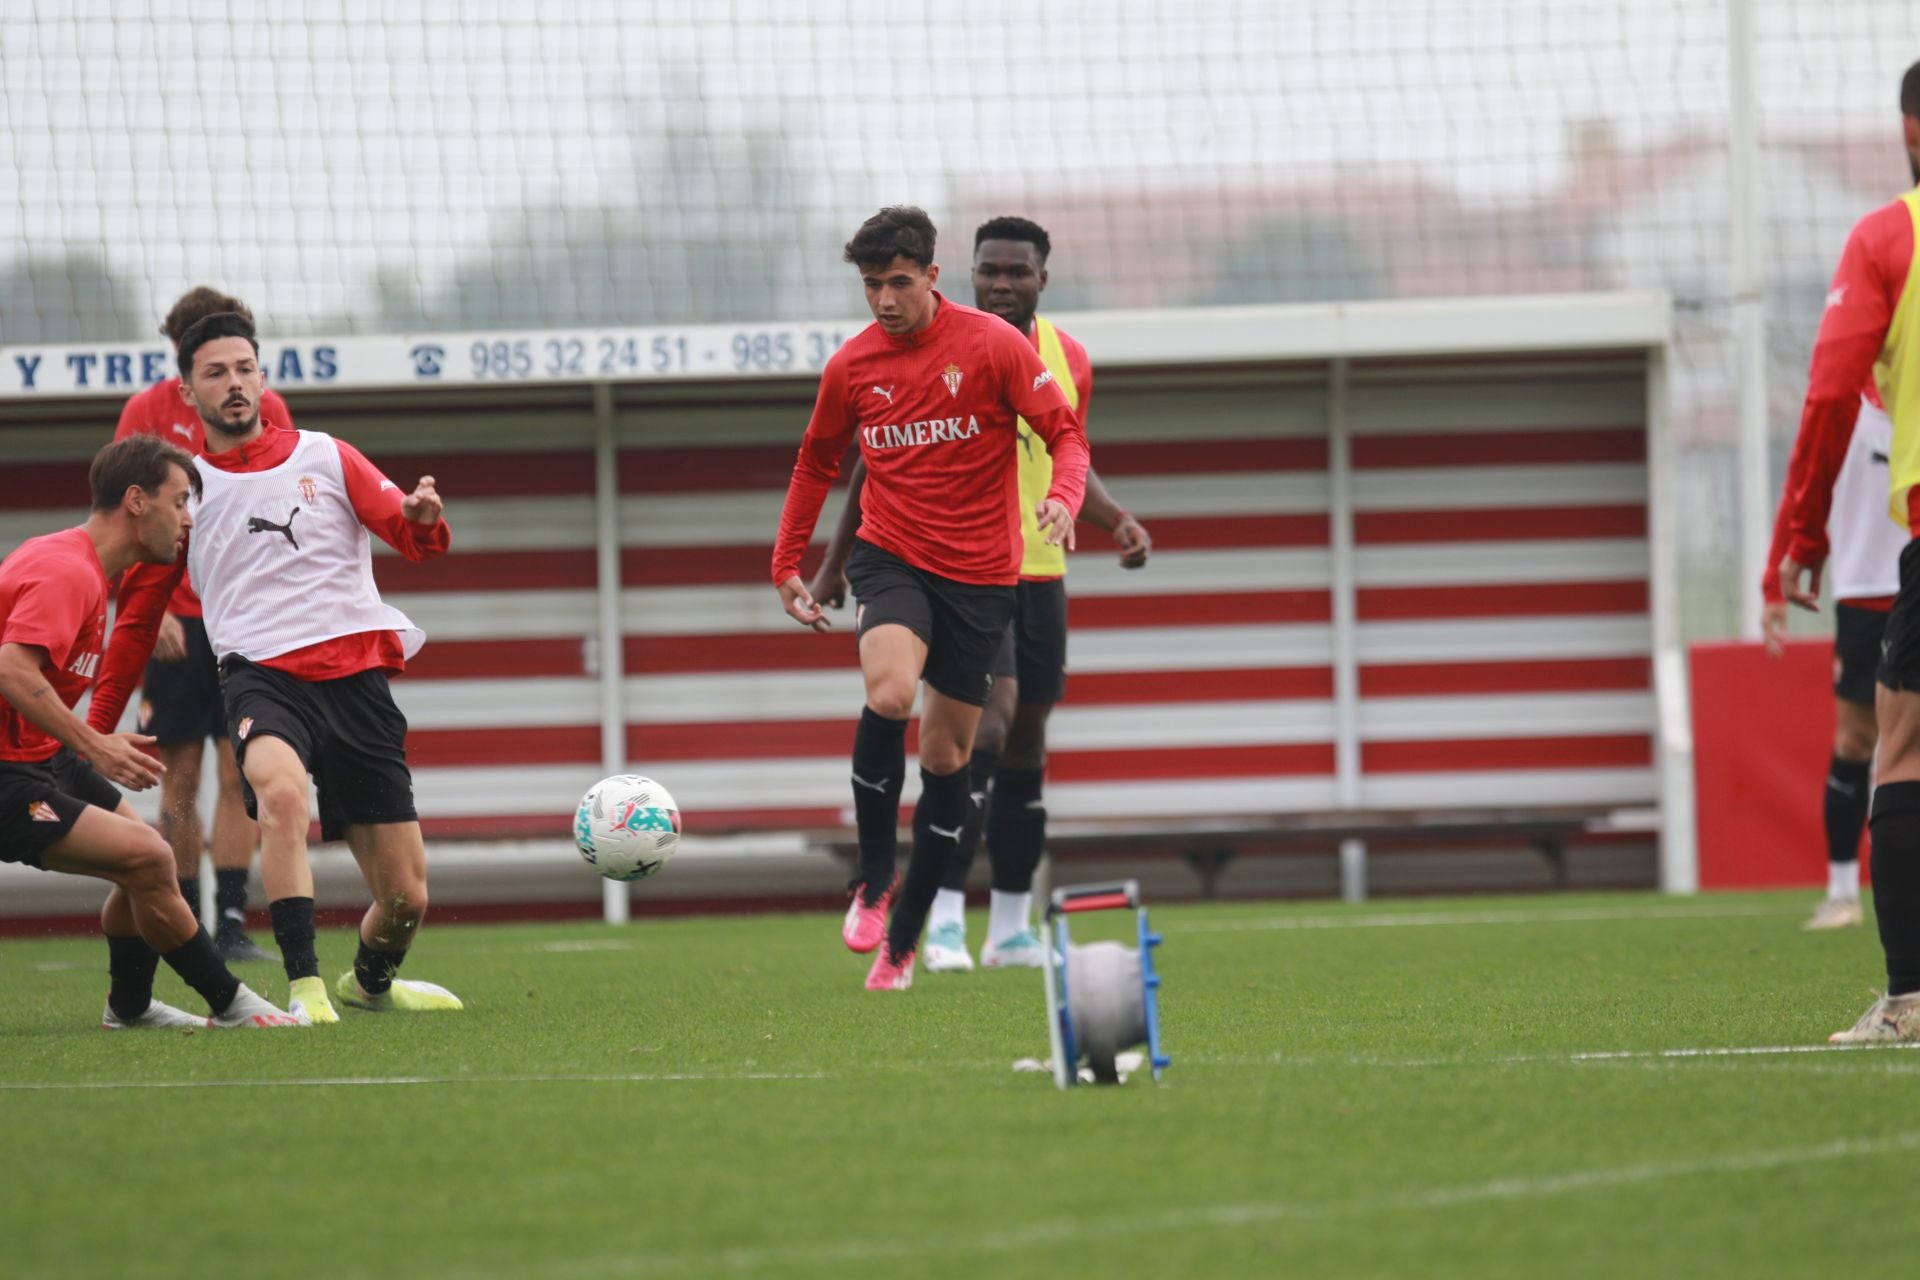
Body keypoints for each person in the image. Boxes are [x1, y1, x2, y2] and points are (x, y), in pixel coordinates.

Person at [91, 311, 462, 1025]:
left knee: (407, 900)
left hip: (357, 679)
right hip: (261, 675)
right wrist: (95, 733)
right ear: (187, 393)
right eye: (215, 373)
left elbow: (412, 534)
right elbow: (136, 621)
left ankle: (369, 984)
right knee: (279, 795)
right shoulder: (184, 492)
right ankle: (305, 987)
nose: (233, 384)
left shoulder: (327, 454)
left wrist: (419, 517)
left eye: (243, 369)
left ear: (262, 378)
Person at [809, 215, 1151, 972]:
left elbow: (1069, 448)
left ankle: (1012, 927)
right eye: (987, 271)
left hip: (1043, 573)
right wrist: (834, 565)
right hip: (964, 570)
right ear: (960, 274)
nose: (1000, 284)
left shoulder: (1068, 359)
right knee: (979, 735)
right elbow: (876, 461)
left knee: (1026, 744)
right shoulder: (929, 351)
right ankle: (941, 921)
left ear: (1040, 281)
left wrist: (1114, 517)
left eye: (1015, 273)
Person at [0, 435, 299, 1029]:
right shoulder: (69, 571)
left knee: (146, 863)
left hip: (42, 757)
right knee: (146, 856)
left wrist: (79, 748)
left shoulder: (79, 564)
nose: (188, 519)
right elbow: (9, 667)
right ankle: (231, 1004)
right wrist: (94, 743)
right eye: (180, 501)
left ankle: (130, 1008)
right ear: (136, 502)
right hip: (10, 772)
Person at [1775, 58, 1920, 1043]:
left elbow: (1830, 394)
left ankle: (1910, 996)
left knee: (1896, 746)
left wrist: (1799, 532)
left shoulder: (1887, 237)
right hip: (1884, 577)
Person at [115, 286, 295, 963]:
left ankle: (229, 922)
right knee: (179, 776)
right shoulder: (145, 411)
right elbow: (124, 513)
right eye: (202, 363)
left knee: (240, 769)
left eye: (233, 361)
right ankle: (183, 914)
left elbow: (284, 508)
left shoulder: (267, 408)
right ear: (183, 369)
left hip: (245, 622)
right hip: (176, 620)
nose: (223, 377)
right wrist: (147, 606)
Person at [1762, 382, 1903, 931]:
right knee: (1855, 741)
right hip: (1864, 594)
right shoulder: (1841, 406)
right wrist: (1773, 583)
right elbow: (1801, 487)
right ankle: (1842, 890)